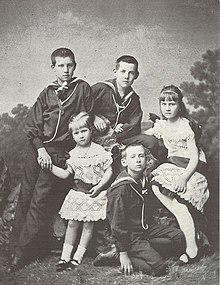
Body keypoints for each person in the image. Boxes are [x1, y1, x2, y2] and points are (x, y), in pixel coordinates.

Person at [9, 48, 94, 271]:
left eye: (70, 65)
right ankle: (12, 248)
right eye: (61, 66)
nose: (66, 70)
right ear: (53, 67)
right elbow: (32, 126)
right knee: (25, 198)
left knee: (39, 203)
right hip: (37, 150)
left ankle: (20, 255)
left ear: (75, 66)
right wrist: (40, 150)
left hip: (57, 153)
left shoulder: (81, 88)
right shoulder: (47, 93)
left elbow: (85, 118)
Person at [144, 85, 210, 265]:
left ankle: (192, 249)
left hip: (190, 168)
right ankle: (190, 244)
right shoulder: (162, 125)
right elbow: (144, 135)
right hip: (172, 166)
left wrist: (184, 178)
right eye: (163, 103)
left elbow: (195, 159)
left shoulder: (186, 126)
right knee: (157, 184)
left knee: (180, 203)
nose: (167, 107)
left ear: (179, 106)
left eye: (172, 103)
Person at [106, 143, 186, 276]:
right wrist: (123, 253)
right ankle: (118, 256)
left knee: (178, 237)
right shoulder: (120, 189)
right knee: (160, 268)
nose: (138, 160)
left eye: (141, 156)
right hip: (130, 235)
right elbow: (117, 225)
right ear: (124, 161)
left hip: (146, 228)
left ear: (146, 159)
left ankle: (147, 251)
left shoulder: (143, 179)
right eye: (133, 157)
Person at [50, 112, 113, 271]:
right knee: (72, 224)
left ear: (91, 130)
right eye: (76, 133)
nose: (81, 135)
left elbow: (109, 171)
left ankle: (77, 257)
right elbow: (66, 174)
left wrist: (99, 187)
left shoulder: (99, 151)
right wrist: (50, 167)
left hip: (94, 193)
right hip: (77, 193)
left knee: (88, 225)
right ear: (72, 136)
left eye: (83, 131)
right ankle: (65, 257)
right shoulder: (72, 155)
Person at [91, 55, 163, 160]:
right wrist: (94, 117)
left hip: (120, 137)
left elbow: (135, 124)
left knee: (151, 142)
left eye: (131, 73)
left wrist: (122, 127)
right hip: (97, 134)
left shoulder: (133, 98)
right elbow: (83, 106)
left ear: (136, 75)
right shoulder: (101, 88)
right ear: (115, 72)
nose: (126, 77)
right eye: (123, 71)